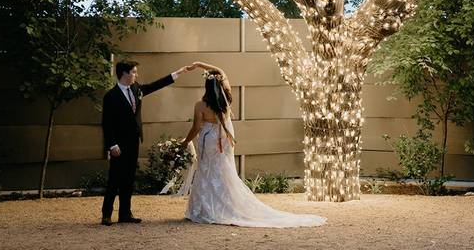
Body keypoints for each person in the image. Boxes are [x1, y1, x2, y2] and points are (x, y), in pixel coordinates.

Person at [177, 61, 325, 228]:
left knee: (206, 169)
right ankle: (224, 205)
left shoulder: (200, 105)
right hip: (223, 140)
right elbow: (221, 70)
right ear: (220, 84)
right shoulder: (226, 100)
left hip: (208, 139)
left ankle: (203, 208)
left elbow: (196, 127)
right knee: (223, 170)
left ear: (206, 85)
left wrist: (185, 142)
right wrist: (199, 65)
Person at [101, 60, 196, 225]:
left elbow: (154, 86)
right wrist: (112, 144)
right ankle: (106, 214)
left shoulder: (136, 88)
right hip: (118, 144)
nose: (136, 75)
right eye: (134, 72)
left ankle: (125, 214)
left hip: (134, 141)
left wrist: (178, 73)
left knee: (129, 178)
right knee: (115, 178)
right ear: (124, 73)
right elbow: (106, 123)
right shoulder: (111, 96)